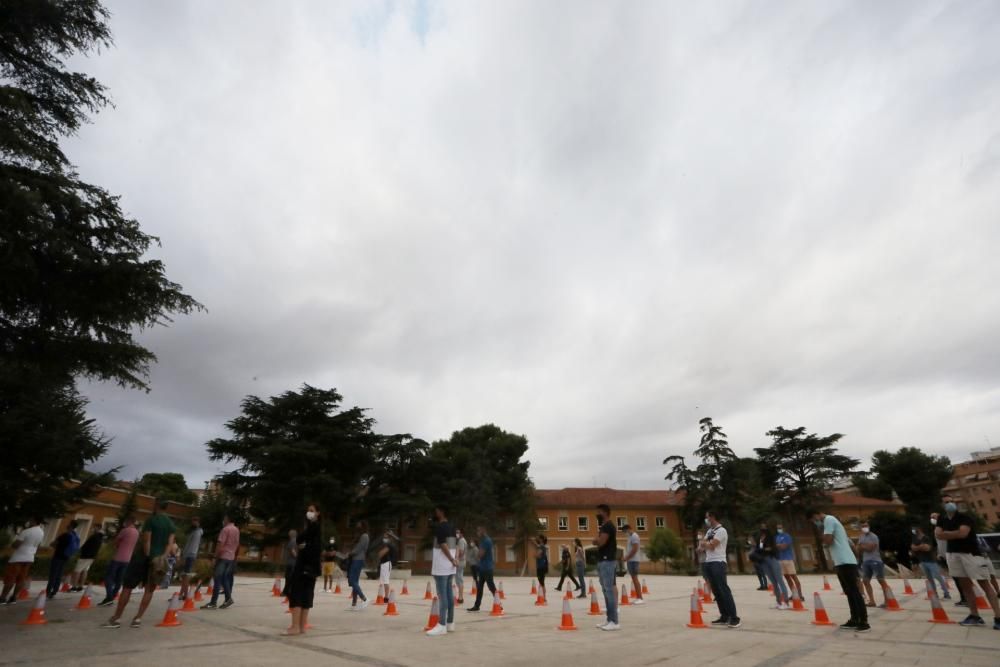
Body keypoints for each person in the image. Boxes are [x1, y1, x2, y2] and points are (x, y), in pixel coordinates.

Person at [102, 499, 176, 628]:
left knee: (127, 587)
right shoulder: (171, 524)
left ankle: (117, 618)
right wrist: (162, 557)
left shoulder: (151, 520)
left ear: (157, 506)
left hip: (143, 558)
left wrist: (147, 556)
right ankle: (138, 619)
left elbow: (147, 540)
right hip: (158, 560)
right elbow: (170, 544)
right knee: (149, 590)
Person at [935, 499, 1000, 628]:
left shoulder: (965, 517)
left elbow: (963, 533)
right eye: (946, 502)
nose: (949, 503)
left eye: (951, 501)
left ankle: (998, 617)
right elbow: (938, 535)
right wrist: (953, 534)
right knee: (965, 586)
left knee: (984, 584)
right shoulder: (942, 519)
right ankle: (974, 615)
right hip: (953, 554)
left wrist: (946, 534)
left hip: (971, 554)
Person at [807, 508, 869, 632]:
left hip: (845, 560)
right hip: (841, 561)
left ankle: (863, 621)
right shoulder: (828, 523)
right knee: (849, 592)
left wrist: (822, 532)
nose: (815, 523)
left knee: (854, 592)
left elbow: (828, 540)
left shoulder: (829, 520)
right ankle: (854, 619)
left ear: (816, 515)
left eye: (814, 520)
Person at [284, 504, 321, 635]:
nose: (308, 513)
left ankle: (295, 626)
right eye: (308, 510)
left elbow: (302, 541)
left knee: (297, 594)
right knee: (307, 595)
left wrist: (303, 547)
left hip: (305, 566)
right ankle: (301, 627)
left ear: (318, 513)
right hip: (312, 568)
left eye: (312, 511)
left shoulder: (313, 528)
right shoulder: (314, 529)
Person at [701, 510, 740, 628]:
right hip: (708, 562)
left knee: (723, 589)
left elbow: (713, 545)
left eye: (707, 517)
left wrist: (706, 544)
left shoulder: (721, 531)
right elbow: (703, 545)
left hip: (718, 562)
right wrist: (705, 544)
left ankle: (734, 617)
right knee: (716, 591)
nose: (706, 520)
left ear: (712, 517)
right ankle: (724, 615)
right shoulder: (709, 531)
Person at [426, 505, 457, 636]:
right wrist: (454, 560)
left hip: (442, 567)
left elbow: (442, 544)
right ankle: (450, 623)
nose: (435, 512)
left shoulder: (440, 527)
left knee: (442, 595)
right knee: (449, 595)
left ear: (441, 512)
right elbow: (454, 545)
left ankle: (441, 625)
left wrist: (450, 559)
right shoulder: (452, 527)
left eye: (437, 510)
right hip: (450, 567)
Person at [2, 518, 45, 604]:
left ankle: (2, 598)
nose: (28, 522)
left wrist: (13, 544)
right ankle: (14, 598)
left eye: (30, 520)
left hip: (18, 557)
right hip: (30, 557)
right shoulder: (41, 532)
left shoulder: (27, 531)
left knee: (11, 578)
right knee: (21, 579)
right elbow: (38, 545)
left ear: (34, 521)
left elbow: (16, 544)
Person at [98, 516, 138, 606]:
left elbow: (116, 541)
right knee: (119, 579)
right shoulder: (136, 532)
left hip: (118, 558)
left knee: (108, 577)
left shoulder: (125, 530)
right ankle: (112, 596)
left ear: (128, 521)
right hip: (127, 559)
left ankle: (109, 596)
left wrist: (116, 545)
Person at [202, 514, 239, 609]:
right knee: (224, 579)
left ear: (227, 519)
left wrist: (215, 557)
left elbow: (220, 543)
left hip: (223, 556)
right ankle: (228, 598)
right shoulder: (236, 530)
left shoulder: (225, 529)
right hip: (231, 557)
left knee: (217, 579)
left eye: (224, 519)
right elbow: (237, 544)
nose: (223, 520)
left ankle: (213, 602)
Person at [593, 503, 619, 631]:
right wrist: (597, 540)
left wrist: (596, 541)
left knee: (608, 591)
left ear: (604, 512)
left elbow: (601, 542)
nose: (596, 515)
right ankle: (609, 620)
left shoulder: (608, 526)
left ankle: (614, 621)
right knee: (605, 590)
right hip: (603, 560)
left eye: (598, 512)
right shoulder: (604, 526)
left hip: (607, 561)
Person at [911, 525, 950, 599]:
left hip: (931, 561)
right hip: (922, 561)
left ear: (919, 529)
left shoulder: (926, 538)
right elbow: (912, 548)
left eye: (914, 529)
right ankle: (935, 594)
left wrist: (917, 547)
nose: (913, 531)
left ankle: (946, 593)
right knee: (930, 579)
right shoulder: (915, 538)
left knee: (938, 577)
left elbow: (927, 548)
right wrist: (920, 547)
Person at [757, 523, 789, 609]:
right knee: (773, 582)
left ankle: (786, 602)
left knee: (779, 580)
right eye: (761, 527)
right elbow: (759, 549)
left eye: (764, 526)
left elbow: (771, 548)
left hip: (772, 559)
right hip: (764, 561)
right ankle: (778, 602)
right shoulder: (760, 538)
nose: (762, 528)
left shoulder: (771, 537)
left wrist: (763, 550)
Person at [857, 522, 889, 607]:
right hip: (865, 561)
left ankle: (888, 600)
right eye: (863, 526)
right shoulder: (861, 536)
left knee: (881, 580)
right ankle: (872, 601)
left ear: (869, 526)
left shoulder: (874, 536)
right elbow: (859, 548)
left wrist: (863, 546)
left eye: (866, 526)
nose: (865, 527)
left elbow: (871, 548)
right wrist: (865, 546)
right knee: (865, 580)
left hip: (876, 560)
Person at [47, 519, 81, 599]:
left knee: (53, 574)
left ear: (71, 526)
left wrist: (56, 545)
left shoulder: (64, 535)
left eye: (68, 523)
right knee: (59, 574)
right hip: (66, 557)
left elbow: (52, 544)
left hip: (58, 556)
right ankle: (54, 591)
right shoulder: (75, 536)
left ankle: (48, 591)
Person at [467, 526, 497, 611]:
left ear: (483, 531)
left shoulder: (486, 541)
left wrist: (478, 552)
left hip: (487, 568)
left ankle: (498, 604)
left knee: (491, 586)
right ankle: (477, 605)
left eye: (478, 531)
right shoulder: (484, 541)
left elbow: (480, 554)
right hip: (483, 567)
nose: (477, 533)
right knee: (479, 588)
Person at [774, 523, 801, 601]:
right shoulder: (777, 537)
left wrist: (778, 546)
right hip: (780, 559)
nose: (779, 529)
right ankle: (794, 594)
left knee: (793, 576)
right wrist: (778, 546)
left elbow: (784, 547)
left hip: (788, 559)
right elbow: (777, 547)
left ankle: (800, 594)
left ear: (784, 528)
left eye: (780, 528)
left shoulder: (787, 536)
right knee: (787, 577)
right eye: (778, 528)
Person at [347, 521, 370, 610]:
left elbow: (358, 548)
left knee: (352, 580)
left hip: (358, 560)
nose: (357, 526)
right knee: (355, 582)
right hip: (356, 559)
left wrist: (350, 553)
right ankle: (354, 603)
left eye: (359, 525)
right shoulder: (360, 536)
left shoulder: (364, 536)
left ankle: (364, 598)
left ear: (363, 526)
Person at [72, 527, 104, 591]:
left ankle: (74, 586)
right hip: (92, 557)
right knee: (85, 570)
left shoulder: (93, 537)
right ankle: (81, 586)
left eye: (94, 528)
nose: (92, 529)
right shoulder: (100, 539)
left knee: (77, 571)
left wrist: (80, 551)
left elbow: (85, 546)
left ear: (97, 529)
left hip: (85, 556)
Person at [179, 517, 202, 600]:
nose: (193, 523)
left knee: (186, 575)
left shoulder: (197, 533)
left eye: (195, 521)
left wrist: (185, 556)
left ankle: (185, 594)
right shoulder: (194, 532)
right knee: (184, 575)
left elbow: (192, 546)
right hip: (188, 555)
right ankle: (182, 594)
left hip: (189, 555)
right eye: (192, 521)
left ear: (198, 522)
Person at [623, 524, 645, 604]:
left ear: (629, 529)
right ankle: (638, 597)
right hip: (631, 560)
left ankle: (640, 598)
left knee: (635, 579)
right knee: (634, 579)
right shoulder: (630, 537)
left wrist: (627, 557)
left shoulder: (634, 536)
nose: (625, 533)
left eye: (625, 531)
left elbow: (635, 549)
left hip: (634, 560)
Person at [376, 531, 396, 602]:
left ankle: (386, 597)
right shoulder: (387, 545)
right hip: (384, 563)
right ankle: (382, 596)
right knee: (382, 581)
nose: (384, 538)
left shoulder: (389, 545)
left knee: (386, 581)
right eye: (384, 537)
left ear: (389, 538)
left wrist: (379, 552)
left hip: (386, 563)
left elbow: (381, 554)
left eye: (385, 537)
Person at [280, 529, 297, 598]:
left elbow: (293, 551)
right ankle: (288, 592)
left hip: (291, 563)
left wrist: (297, 557)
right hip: (295, 563)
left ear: (290, 535)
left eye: (289, 534)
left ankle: (286, 592)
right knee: (291, 578)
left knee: (288, 578)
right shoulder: (298, 541)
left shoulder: (292, 542)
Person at [454, 528, 468, 605]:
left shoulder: (461, 541)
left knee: (459, 580)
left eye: (458, 532)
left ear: (461, 533)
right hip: (462, 562)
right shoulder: (462, 540)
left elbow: (461, 552)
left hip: (460, 562)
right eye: (456, 532)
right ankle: (460, 597)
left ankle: (460, 597)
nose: (457, 534)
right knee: (459, 579)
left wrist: (456, 558)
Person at [533, 535, 549, 599]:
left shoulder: (541, 547)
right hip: (542, 566)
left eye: (539, 538)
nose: (537, 539)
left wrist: (535, 555)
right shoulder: (542, 546)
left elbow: (539, 555)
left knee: (541, 582)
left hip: (541, 566)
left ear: (541, 539)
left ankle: (544, 597)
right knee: (542, 582)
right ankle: (543, 596)